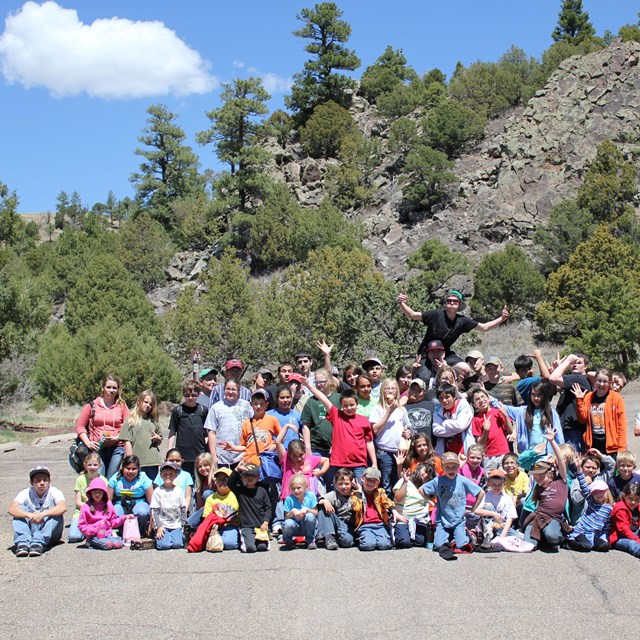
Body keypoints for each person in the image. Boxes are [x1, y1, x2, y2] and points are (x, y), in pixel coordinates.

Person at [396, 288, 509, 377]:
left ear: (459, 304)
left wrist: (502, 319)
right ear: (445, 303)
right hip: (426, 354)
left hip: (445, 354)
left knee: (465, 369)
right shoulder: (436, 314)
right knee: (424, 378)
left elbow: (484, 327)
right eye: (449, 300)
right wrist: (402, 304)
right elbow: (412, 315)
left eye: (455, 301)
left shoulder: (462, 321)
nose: (452, 303)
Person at [301, 377, 376, 486]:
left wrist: (374, 463)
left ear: (357, 403)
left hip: (359, 464)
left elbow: (369, 442)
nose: (349, 408)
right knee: (338, 493)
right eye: (345, 406)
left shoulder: (363, 420)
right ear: (341, 405)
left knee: (360, 492)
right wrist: (309, 386)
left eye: (352, 405)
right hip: (338, 463)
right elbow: (323, 399)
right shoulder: (336, 416)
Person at [419, 452, 485, 559]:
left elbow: (480, 492)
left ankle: (467, 535)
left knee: (461, 546)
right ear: (442, 467)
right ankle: (447, 537)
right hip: (443, 520)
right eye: (447, 467)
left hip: (458, 520)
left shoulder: (462, 480)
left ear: (458, 467)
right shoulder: (438, 481)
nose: (451, 470)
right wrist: (431, 501)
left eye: (454, 467)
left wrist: (474, 508)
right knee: (439, 545)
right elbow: (421, 490)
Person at [75, 374, 129, 479]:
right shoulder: (91, 406)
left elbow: (129, 428)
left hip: (117, 448)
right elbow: (80, 427)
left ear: (118, 390)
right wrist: (88, 443)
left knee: (112, 479)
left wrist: (116, 437)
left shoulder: (122, 406)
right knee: (98, 478)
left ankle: (110, 496)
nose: (111, 390)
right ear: (103, 388)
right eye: (108, 387)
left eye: (114, 388)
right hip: (97, 448)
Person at [522, 430, 568, 552]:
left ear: (550, 473)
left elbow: (561, 459)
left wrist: (552, 441)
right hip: (538, 517)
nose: (538, 480)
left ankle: (553, 536)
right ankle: (538, 537)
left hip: (553, 518)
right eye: (535, 478)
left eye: (541, 477)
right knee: (528, 546)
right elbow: (520, 461)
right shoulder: (538, 487)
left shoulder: (560, 481)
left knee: (553, 537)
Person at [9, 466, 67, 557]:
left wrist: (42, 514)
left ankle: (38, 542)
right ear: (32, 482)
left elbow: (63, 507)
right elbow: (12, 509)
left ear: (49, 481)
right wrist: (29, 515)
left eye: (45, 480)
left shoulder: (55, 492)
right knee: (20, 509)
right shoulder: (25, 492)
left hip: (50, 533)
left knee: (56, 512)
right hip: (32, 529)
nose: (42, 483)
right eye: (38, 480)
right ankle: (23, 542)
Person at [370, 378, 413, 494]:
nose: (390, 391)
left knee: (399, 480)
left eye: (393, 388)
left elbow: (409, 427)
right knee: (386, 483)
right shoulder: (378, 408)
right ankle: (387, 510)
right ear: (382, 391)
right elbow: (375, 430)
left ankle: (398, 506)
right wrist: (388, 412)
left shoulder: (402, 410)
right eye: (387, 388)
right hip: (384, 451)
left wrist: (409, 432)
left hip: (399, 451)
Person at [573, 368, 627, 457]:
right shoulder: (588, 397)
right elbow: (582, 419)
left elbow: (622, 425)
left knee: (611, 471)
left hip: (611, 447)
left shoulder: (616, 398)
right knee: (592, 470)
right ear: (595, 381)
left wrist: (622, 448)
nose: (601, 384)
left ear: (609, 383)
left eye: (605, 381)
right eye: (599, 381)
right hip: (593, 445)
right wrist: (579, 400)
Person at [205, 379, 253, 468]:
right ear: (224, 390)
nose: (230, 392)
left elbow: (253, 428)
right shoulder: (216, 408)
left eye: (233, 389)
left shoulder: (246, 406)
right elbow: (211, 432)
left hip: (242, 456)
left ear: (239, 391)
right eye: (228, 389)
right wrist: (213, 456)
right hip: (222, 457)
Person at [548, 353, 591, 452]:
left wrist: (567, 361)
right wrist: (558, 368)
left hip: (573, 429)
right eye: (573, 363)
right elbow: (556, 386)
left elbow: (553, 378)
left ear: (586, 366)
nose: (575, 365)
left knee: (571, 462)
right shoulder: (574, 380)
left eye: (579, 363)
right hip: (568, 428)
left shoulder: (579, 379)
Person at [504, 382, 563, 454]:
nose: (536, 398)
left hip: (546, 456)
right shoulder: (522, 411)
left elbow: (559, 435)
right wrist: (487, 397)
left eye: (539, 395)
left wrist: (560, 453)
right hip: (529, 455)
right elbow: (502, 407)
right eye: (533, 394)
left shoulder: (551, 413)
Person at [351, 467, 401, 551]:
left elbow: (387, 501)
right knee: (368, 546)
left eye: (374, 481)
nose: (370, 483)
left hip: (380, 525)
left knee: (384, 545)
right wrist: (359, 491)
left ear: (378, 483)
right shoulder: (356, 494)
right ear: (362, 478)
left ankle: (376, 538)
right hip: (365, 526)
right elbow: (356, 508)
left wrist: (394, 510)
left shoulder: (380, 492)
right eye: (368, 480)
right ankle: (364, 538)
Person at [166, 380, 208, 478]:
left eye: (193, 395)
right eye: (187, 395)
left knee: (199, 483)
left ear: (198, 395)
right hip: (182, 455)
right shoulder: (178, 411)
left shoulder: (203, 410)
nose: (190, 398)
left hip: (199, 454)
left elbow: (207, 433)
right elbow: (172, 432)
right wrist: (169, 451)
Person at [227, 462, 272, 553]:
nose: (250, 478)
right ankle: (244, 541)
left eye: (253, 476)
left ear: (258, 477)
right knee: (250, 548)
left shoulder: (262, 490)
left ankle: (263, 539)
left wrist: (266, 522)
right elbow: (230, 483)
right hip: (246, 526)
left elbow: (268, 508)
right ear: (242, 477)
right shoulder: (240, 491)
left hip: (260, 525)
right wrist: (237, 470)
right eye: (247, 475)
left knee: (262, 547)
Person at [119, 390, 163, 479]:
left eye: (151, 404)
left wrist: (158, 439)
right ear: (139, 401)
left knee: (150, 487)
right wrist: (130, 461)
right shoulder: (130, 420)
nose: (148, 405)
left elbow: (160, 439)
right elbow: (127, 442)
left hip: (152, 461)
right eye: (145, 402)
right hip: (137, 462)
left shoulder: (153, 421)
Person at [78, 477, 130, 550]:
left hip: (107, 533)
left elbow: (113, 522)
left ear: (104, 493)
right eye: (94, 492)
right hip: (93, 535)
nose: (97, 495)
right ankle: (90, 543)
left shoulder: (108, 504)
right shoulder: (86, 507)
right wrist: (93, 530)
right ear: (90, 493)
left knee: (118, 544)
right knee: (108, 545)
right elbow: (81, 525)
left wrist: (124, 517)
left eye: (100, 492)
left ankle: (108, 541)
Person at [107, 455, 153, 536]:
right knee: (115, 512)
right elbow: (108, 500)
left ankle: (140, 533)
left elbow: (152, 502)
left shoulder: (144, 478)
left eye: (134, 469)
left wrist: (151, 523)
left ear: (138, 469)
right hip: (120, 503)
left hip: (139, 503)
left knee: (142, 512)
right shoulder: (115, 478)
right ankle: (120, 534)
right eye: (128, 468)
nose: (130, 471)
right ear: (122, 468)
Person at [469, 387, 513, 471]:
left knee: (504, 478)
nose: (481, 400)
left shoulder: (498, 412)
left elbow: (510, 431)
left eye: (483, 397)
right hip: (488, 456)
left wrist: (506, 415)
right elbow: (480, 444)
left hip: (503, 452)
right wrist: (485, 430)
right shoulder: (476, 420)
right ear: (474, 405)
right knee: (490, 480)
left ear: (488, 398)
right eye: (477, 399)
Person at [565, 475, 613, 552]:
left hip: (594, 534)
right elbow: (584, 488)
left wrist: (604, 537)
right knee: (586, 546)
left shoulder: (609, 508)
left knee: (605, 546)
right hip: (581, 531)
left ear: (606, 491)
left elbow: (606, 525)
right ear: (592, 495)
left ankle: (591, 543)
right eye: (595, 492)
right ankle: (568, 544)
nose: (598, 494)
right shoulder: (591, 502)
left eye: (601, 491)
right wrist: (579, 471)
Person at [233, 389, 281, 465]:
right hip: (249, 461)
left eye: (261, 404)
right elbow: (244, 446)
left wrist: (274, 445)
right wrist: (232, 448)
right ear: (251, 404)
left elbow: (281, 438)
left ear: (266, 405)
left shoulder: (272, 420)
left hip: (265, 461)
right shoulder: (246, 423)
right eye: (255, 404)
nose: (258, 407)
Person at [300, 368, 340, 459]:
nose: (318, 385)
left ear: (329, 381)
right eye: (316, 382)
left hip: (335, 447)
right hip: (316, 448)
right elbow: (305, 425)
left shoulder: (338, 398)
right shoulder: (311, 401)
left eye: (321, 382)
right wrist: (307, 447)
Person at [393, 463, 435, 548]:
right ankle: (397, 533)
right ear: (417, 470)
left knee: (420, 542)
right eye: (424, 471)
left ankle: (411, 535)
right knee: (404, 543)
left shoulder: (427, 488)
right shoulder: (405, 480)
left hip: (419, 519)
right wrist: (405, 482)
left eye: (428, 474)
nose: (425, 475)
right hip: (403, 517)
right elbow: (397, 498)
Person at [68, 452, 106, 543]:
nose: (92, 467)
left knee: (102, 534)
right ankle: (86, 531)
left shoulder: (103, 480)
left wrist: (96, 510)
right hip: (82, 512)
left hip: (98, 513)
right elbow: (78, 502)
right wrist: (89, 508)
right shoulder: (80, 479)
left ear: (100, 466)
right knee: (73, 537)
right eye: (90, 465)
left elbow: (106, 501)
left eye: (95, 465)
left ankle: (90, 531)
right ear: (85, 465)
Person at [151, 461, 188, 550]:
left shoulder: (178, 490)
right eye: (165, 474)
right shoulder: (157, 491)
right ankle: (160, 537)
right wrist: (159, 527)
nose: (168, 476)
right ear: (161, 475)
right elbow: (154, 510)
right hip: (163, 524)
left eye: (171, 474)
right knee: (164, 546)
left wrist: (182, 525)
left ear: (176, 475)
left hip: (176, 524)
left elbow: (183, 508)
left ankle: (176, 536)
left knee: (177, 545)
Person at [317, 468, 357, 550]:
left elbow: (364, 499)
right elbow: (318, 500)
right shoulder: (334, 494)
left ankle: (338, 538)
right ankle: (329, 537)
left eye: (347, 484)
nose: (343, 486)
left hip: (349, 525)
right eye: (340, 484)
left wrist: (357, 487)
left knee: (347, 542)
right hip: (337, 522)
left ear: (352, 483)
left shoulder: (356, 495)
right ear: (335, 483)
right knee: (322, 507)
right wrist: (324, 501)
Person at [474, 469, 518, 545]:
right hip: (488, 524)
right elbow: (476, 510)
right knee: (488, 506)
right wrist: (493, 514)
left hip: (501, 526)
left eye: (499, 485)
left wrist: (503, 534)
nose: (497, 487)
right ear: (489, 484)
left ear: (504, 485)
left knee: (517, 537)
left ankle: (496, 538)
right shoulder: (485, 496)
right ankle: (487, 536)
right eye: (494, 484)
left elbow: (509, 518)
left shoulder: (507, 498)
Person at [201, 467, 240, 550]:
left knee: (229, 544)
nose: (223, 482)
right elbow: (207, 518)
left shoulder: (237, 495)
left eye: (226, 479)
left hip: (232, 526)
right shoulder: (210, 499)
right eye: (219, 479)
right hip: (216, 527)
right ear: (215, 481)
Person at [432, 383, 474, 456]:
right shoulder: (438, 410)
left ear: (454, 397)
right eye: (441, 398)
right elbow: (436, 431)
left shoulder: (463, 405)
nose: (444, 400)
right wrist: (457, 429)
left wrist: (445, 423)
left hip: (464, 452)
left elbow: (461, 425)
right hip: (446, 454)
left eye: (447, 397)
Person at [282, 473, 319, 550]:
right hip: (295, 526)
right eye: (293, 488)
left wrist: (307, 509)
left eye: (298, 488)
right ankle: (288, 541)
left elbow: (316, 513)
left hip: (307, 526)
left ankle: (310, 540)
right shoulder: (289, 499)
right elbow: (286, 517)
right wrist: (292, 512)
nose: (296, 491)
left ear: (305, 487)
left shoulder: (310, 496)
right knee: (287, 523)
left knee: (310, 516)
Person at [609, 482, 640, 558]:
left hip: (634, 533)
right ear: (624, 496)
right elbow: (623, 530)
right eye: (630, 498)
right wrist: (636, 539)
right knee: (631, 543)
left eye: (637, 499)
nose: (633, 502)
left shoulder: (637, 507)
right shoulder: (620, 509)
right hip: (619, 537)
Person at [267, 384, 302, 451]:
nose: (285, 400)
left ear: (291, 398)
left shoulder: (297, 416)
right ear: (277, 399)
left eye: (288, 397)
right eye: (282, 397)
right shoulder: (268, 415)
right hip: (274, 453)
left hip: (294, 454)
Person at [187, 452, 217, 529]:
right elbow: (199, 504)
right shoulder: (200, 482)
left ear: (211, 465)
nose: (203, 468)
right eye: (200, 466)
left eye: (206, 465)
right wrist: (196, 516)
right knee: (189, 523)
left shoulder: (217, 478)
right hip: (204, 509)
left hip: (218, 508)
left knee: (207, 493)